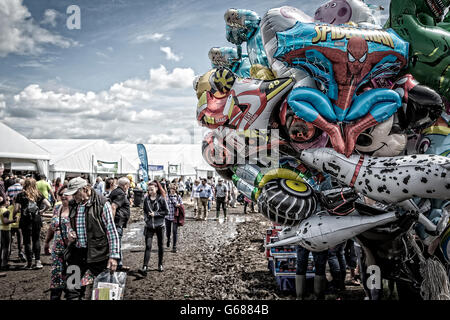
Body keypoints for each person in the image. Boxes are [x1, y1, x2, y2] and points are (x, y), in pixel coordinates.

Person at [63, 177, 120, 300]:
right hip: (77, 253)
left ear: (85, 189)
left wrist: (113, 256)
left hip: (98, 254)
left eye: (75, 193)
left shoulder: (102, 204)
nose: (73, 197)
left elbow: (111, 231)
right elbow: (70, 224)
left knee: (103, 292)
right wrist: (70, 232)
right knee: (71, 290)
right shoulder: (73, 204)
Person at [44, 185, 76, 300]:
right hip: (57, 249)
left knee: (73, 278)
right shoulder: (57, 208)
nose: (63, 196)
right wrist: (47, 242)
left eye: (66, 194)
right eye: (61, 194)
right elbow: (52, 227)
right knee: (56, 276)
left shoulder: (77, 209)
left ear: (73, 195)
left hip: (73, 250)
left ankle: (72, 296)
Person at [14, 178, 51, 269]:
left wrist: (14, 215)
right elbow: (49, 205)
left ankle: (29, 263)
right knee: (36, 240)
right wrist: (41, 211)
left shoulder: (20, 195)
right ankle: (38, 262)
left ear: (25, 184)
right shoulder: (39, 194)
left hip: (25, 219)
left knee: (27, 241)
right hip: (36, 219)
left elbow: (16, 209)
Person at [139, 181, 168, 276]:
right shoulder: (146, 199)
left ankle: (160, 264)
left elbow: (166, 212)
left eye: (152, 189)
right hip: (149, 226)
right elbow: (144, 210)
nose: (150, 191)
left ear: (156, 189)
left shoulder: (161, 199)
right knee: (148, 246)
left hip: (160, 225)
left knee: (160, 245)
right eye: (149, 190)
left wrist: (155, 214)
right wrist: (146, 219)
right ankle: (145, 266)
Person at [109, 177, 131, 271]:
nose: (129, 187)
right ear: (125, 185)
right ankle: (118, 265)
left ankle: (119, 264)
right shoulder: (121, 193)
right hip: (117, 223)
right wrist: (111, 223)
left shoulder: (115, 191)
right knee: (117, 244)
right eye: (128, 185)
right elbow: (113, 207)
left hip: (117, 222)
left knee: (116, 244)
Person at [166, 184, 182, 253]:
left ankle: (174, 246)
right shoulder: (167, 196)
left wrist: (178, 205)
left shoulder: (178, 197)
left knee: (175, 232)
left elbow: (181, 205)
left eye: (174, 189)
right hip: (167, 217)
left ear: (176, 190)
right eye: (171, 189)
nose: (172, 190)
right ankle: (168, 239)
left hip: (175, 216)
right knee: (168, 231)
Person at [0, 197, 16, 270]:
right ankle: (4, 263)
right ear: (4, 202)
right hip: (5, 230)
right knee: (6, 247)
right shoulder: (5, 211)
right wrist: (13, 220)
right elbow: (5, 222)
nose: (9, 202)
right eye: (8, 201)